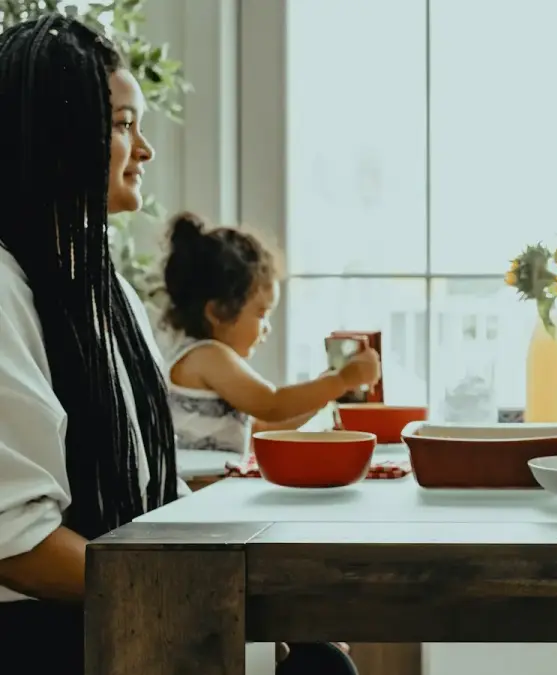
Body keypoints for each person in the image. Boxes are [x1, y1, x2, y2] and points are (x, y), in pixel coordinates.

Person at [0, 15, 178, 673]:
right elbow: (17, 543)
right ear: (59, 139)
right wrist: (196, 600)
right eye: (125, 124)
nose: (145, 150)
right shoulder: (3, 290)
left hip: (118, 624)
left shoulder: (112, 298)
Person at [159, 212, 381, 456]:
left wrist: (322, 395)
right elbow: (272, 404)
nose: (267, 327)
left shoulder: (206, 358)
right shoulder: (207, 356)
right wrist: (340, 381)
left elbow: (265, 427)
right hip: (197, 490)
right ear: (218, 311)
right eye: (261, 313)